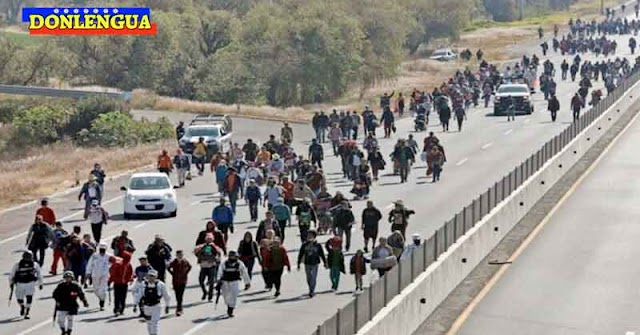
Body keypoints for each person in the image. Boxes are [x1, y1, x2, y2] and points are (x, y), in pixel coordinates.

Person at [133, 269, 172, 335]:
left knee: (154, 323)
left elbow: (166, 295)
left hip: (156, 306)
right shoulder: (143, 284)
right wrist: (135, 305)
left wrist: (167, 306)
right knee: (149, 323)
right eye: (150, 276)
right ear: (147, 276)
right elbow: (138, 295)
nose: (151, 278)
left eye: (153, 276)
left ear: (156, 276)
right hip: (146, 307)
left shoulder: (161, 285)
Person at [216, 250, 251, 317]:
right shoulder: (224, 263)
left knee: (233, 296)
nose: (232, 257)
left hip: (234, 282)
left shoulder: (240, 263)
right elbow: (220, 271)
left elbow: (244, 273)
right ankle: (229, 305)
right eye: (231, 256)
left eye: (234, 256)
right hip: (225, 282)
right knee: (226, 296)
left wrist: (247, 282)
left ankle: (230, 310)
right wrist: (218, 280)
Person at [9, 251, 43, 319]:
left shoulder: (35, 265)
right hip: (20, 283)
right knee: (19, 298)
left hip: (30, 283)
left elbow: (39, 274)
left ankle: (27, 312)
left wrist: (40, 283)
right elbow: (12, 274)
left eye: (29, 257)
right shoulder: (17, 265)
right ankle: (22, 306)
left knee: (29, 297)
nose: (28, 259)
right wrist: (11, 283)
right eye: (26, 257)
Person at [53, 271, 89, 335]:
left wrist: (84, 302)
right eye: (66, 277)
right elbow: (55, 294)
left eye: (69, 277)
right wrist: (57, 301)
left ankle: (69, 331)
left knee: (70, 319)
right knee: (60, 320)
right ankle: (63, 330)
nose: (67, 279)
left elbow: (81, 294)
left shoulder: (76, 286)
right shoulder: (60, 286)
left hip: (72, 305)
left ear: (72, 278)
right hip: (62, 305)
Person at [297, 230, 327, 297]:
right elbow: (301, 254)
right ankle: (310, 288)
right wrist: (298, 263)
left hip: (315, 263)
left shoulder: (318, 245)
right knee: (308, 277)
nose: (309, 237)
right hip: (307, 263)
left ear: (314, 237)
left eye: (311, 236)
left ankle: (312, 291)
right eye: (308, 235)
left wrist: (325, 262)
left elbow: (321, 254)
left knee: (313, 277)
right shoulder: (304, 245)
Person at [194, 233, 222, 301]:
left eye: (210, 240)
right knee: (201, 281)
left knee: (211, 282)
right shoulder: (202, 247)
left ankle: (210, 296)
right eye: (207, 239)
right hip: (203, 266)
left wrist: (215, 258)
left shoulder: (215, 247)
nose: (208, 241)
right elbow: (196, 253)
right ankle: (205, 292)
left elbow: (218, 255)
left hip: (211, 266)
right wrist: (200, 253)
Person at [85, 243, 111, 311]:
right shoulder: (94, 256)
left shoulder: (109, 256)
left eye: (103, 249)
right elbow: (89, 264)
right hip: (95, 275)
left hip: (104, 275)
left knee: (102, 290)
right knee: (96, 290)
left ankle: (102, 304)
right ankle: (101, 298)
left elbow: (114, 264)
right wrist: (88, 273)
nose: (102, 250)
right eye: (101, 249)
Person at [108, 251, 133, 316]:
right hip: (117, 283)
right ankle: (116, 310)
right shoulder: (118, 264)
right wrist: (110, 281)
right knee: (117, 297)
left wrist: (131, 279)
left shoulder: (128, 265)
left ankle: (121, 309)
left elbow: (130, 273)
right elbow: (113, 274)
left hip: (124, 284)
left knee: (123, 297)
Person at [167, 250, 191, 316]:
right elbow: (168, 267)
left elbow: (189, 267)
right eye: (178, 255)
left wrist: (185, 273)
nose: (180, 256)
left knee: (180, 295)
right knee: (177, 295)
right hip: (175, 281)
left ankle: (179, 309)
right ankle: (179, 307)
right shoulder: (174, 262)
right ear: (176, 255)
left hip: (183, 281)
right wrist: (172, 273)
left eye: (181, 255)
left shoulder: (185, 261)